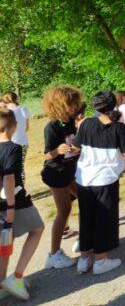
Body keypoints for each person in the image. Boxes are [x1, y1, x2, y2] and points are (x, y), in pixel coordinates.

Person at [72, 91, 125, 275]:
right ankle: (100, 260)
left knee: (86, 217)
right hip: (105, 178)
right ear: (113, 105)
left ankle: (84, 258)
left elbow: (76, 147)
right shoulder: (118, 127)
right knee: (103, 218)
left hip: (84, 178)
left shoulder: (86, 123)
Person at [0, 107, 44, 300]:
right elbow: (9, 177)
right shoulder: (13, 148)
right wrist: (11, 206)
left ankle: (1, 284)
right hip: (15, 200)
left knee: (5, 241)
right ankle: (16, 277)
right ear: (14, 125)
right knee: (37, 228)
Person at [41, 86, 82, 270]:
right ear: (59, 105)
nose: (75, 107)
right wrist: (57, 150)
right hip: (56, 173)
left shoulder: (72, 121)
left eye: (75, 103)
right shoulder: (52, 126)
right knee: (64, 210)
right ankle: (54, 254)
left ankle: (85, 239)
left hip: (70, 170)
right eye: (71, 104)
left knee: (86, 199)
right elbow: (47, 155)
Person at [2, 93, 30, 177]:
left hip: (10, 144)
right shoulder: (24, 109)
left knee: (8, 169)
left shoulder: (7, 113)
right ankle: (21, 184)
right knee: (20, 167)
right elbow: (26, 128)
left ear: (5, 101)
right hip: (23, 142)